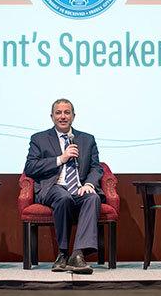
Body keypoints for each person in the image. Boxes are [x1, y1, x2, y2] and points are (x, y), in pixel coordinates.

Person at [23, 98, 103, 274]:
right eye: (58, 113)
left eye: (67, 112)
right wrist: (61, 158)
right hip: (53, 187)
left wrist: (89, 183)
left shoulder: (87, 139)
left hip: (79, 187)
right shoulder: (39, 139)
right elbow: (30, 168)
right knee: (63, 197)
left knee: (93, 197)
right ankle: (63, 253)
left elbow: (96, 167)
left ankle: (78, 254)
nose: (63, 116)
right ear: (52, 116)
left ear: (73, 116)